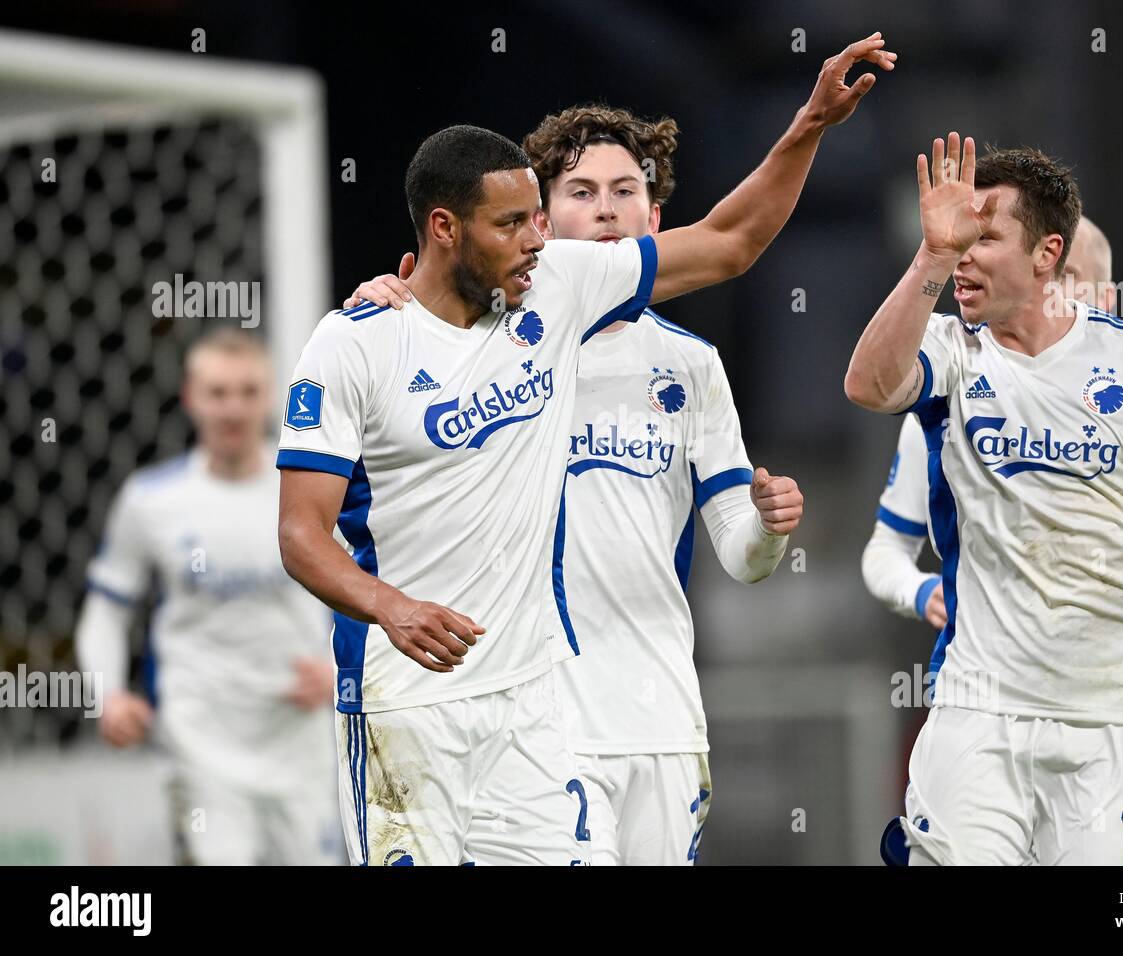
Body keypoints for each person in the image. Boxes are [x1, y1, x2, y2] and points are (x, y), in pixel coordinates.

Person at [278, 34, 894, 866]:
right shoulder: (360, 343)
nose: (541, 239)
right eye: (519, 222)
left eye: (543, 217)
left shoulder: (570, 297)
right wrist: (391, 606)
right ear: (446, 230)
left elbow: (729, 241)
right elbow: (300, 533)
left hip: (547, 715)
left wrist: (811, 123)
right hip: (406, 704)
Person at [347, 104, 807, 865]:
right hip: (539, 717)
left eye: (625, 191)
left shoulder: (691, 365)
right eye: (582, 193)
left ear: (655, 215)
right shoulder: (489, 340)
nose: (606, 211)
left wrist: (769, 527)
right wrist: (384, 304)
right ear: (540, 222)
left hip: (661, 715)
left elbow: (741, 555)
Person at [845, 134, 1123, 865]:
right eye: (957, 236)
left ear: (1047, 255)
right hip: (979, 710)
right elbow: (868, 387)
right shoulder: (952, 351)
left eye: (984, 236)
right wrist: (931, 261)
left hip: (1117, 716)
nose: (963, 250)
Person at [862, 216, 1123, 631]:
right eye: (1045, 276)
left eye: (1071, 277)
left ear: (1109, 299)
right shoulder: (949, 397)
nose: (1053, 290)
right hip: (985, 668)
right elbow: (886, 548)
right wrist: (919, 591)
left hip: (1115, 671)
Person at [76, 329, 339, 865]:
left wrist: (342, 665)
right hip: (202, 744)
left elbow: (373, 585)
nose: (233, 408)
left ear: (270, 397)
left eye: (247, 391)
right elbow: (105, 609)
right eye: (218, 393)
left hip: (303, 741)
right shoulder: (152, 499)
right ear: (190, 398)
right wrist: (106, 694)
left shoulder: (314, 488)